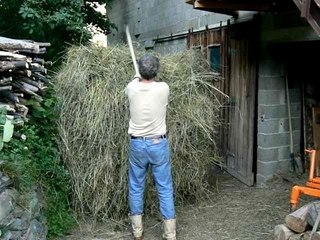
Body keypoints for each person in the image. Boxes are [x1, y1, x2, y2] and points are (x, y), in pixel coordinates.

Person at [125, 55, 176, 240]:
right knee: (164, 187)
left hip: (137, 144)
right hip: (158, 143)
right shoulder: (163, 88)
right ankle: (170, 234)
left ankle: (137, 231)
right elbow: (152, 82)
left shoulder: (131, 87)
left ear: (139, 71)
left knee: (136, 186)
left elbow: (134, 83)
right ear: (157, 71)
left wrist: (136, 76)